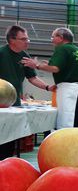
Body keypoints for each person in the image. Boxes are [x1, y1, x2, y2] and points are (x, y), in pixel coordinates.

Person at [0, 25, 54, 159]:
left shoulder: (24, 56)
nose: (27, 42)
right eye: (23, 39)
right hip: (1, 105)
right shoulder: (1, 53)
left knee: (10, 140)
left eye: (27, 39)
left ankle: (5, 167)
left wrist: (48, 87)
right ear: (12, 40)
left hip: (15, 103)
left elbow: (32, 78)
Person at [22, 27, 78, 129]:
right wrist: (47, 65)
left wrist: (36, 65)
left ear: (60, 37)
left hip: (71, 90)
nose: (51, 40)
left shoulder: (62, 48)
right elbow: (68, 67)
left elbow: (55, 68)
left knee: (67, 122)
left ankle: (66, 144)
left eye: (53, 37)